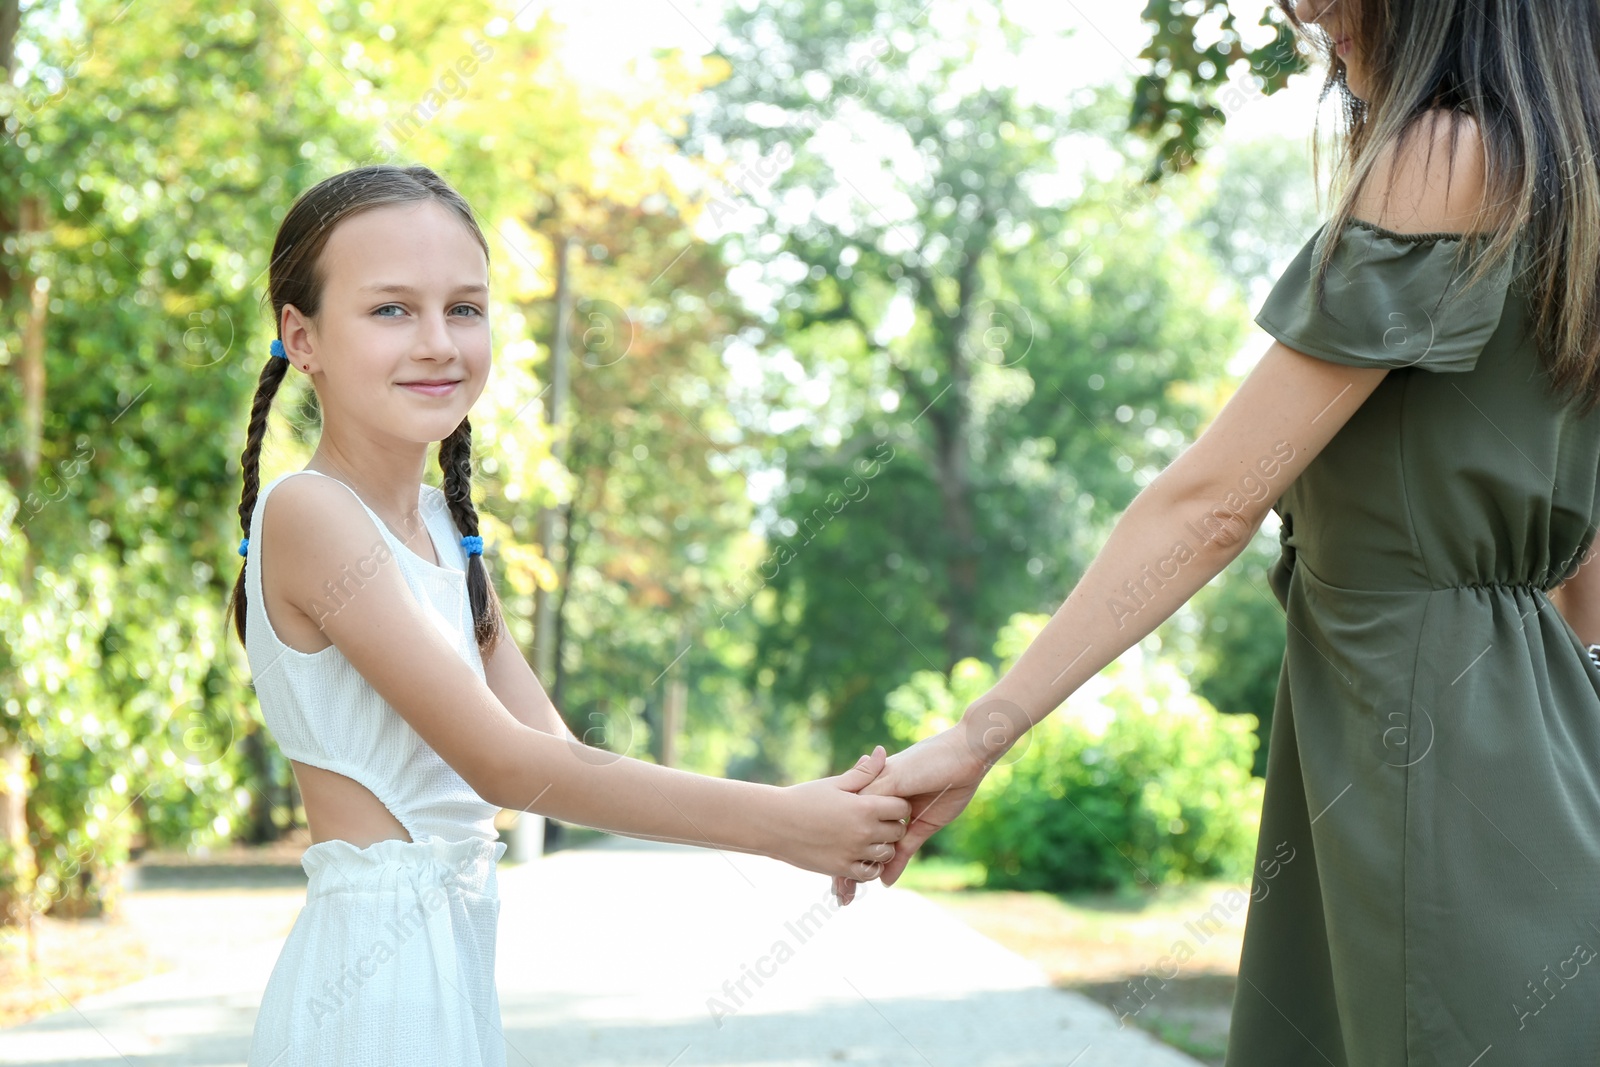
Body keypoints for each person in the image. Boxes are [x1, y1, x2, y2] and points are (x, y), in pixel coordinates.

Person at [846, 0, 1600, 1062]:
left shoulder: (1443, 157)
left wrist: (981, 734)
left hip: (1416, 740)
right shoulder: (1570, 190)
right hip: (1539, 735)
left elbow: (1210, 504)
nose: (1310, 12)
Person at [227, 164, 912, 1067]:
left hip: (447, 974)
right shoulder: (310, 513)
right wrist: (783, 824)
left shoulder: (447, 529)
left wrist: (798, 807)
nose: (437, 341)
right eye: (391, 309)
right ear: (301, 337)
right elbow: (506, 765)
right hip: (371, 993)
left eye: (464, 308)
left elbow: (559, 757)